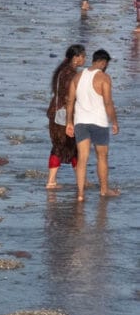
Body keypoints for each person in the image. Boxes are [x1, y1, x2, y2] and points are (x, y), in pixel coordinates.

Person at [65, 49, 120, 201]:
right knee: (102, 157)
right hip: (99, 122)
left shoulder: (77, 76)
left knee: (82, 158)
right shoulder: (104, 78)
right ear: (103, 63)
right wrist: (114, 121)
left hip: (80, 122)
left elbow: (70, 101)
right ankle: (104, 190)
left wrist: (69, 122)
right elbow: (108, 103)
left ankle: (81, 194)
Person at [45, 44, 85, 189]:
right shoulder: (70, 74)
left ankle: (80, 180)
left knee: (71, 147)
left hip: (56, 112)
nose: (84, 59)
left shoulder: (62, 71)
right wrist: (70, 121)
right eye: (83, 56)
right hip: (64, 115)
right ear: (76, 57)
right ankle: (51, 181)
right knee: (62, 146)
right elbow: (69, 98)